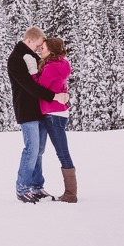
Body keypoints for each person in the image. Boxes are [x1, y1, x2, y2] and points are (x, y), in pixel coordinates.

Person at [7, 27, 69, 204]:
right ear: (29, 41)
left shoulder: (32, 56)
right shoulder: (16, 59)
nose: (40, 49)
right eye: (38, 45)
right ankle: (23, 187)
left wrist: (62, 92)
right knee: (32, 149)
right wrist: (54, 96)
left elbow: (46, 80)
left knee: (39, 151)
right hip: (26, 111)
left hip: (39, 110)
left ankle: (36, 186)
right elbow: (30, 86)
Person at [31, 37, 78, 203]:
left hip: (53, 114)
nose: (40, 50)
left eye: (43, 48)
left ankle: (71, 194)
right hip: (59, 113)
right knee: (62, 152)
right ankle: (70, 193)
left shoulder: (51, 67)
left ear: (51, 50)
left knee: (63, 153)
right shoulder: (62, 64)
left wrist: (32, 74)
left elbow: (39, 87)